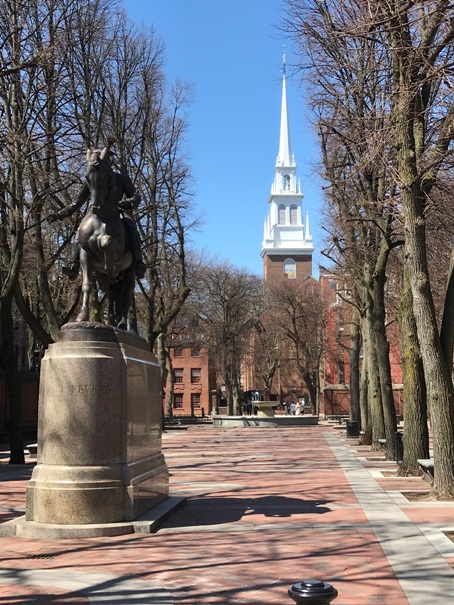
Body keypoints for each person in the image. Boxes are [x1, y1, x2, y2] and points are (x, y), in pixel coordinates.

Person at [48, 157, 146, 279]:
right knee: (81, 230)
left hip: (118, 211)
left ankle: (138, 262)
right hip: (96, 212)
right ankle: (73, 263)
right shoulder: (91, 179)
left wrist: (129, 202)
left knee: (131, 225)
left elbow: (136, 195)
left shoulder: (121, 179)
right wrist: (59, 214)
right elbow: (76, 202)